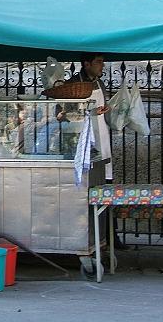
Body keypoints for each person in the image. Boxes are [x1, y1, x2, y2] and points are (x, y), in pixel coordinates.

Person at [67, 52, 128, 251]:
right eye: (99, 62)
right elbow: (66, 115)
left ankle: (111, 235)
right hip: (85, 144)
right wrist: (90, 113)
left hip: (103, 139)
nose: (103, 66)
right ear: (86, 64)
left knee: (107, 189)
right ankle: (91, 237)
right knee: (89, 192)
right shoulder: (74, 84)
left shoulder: (100, 83)